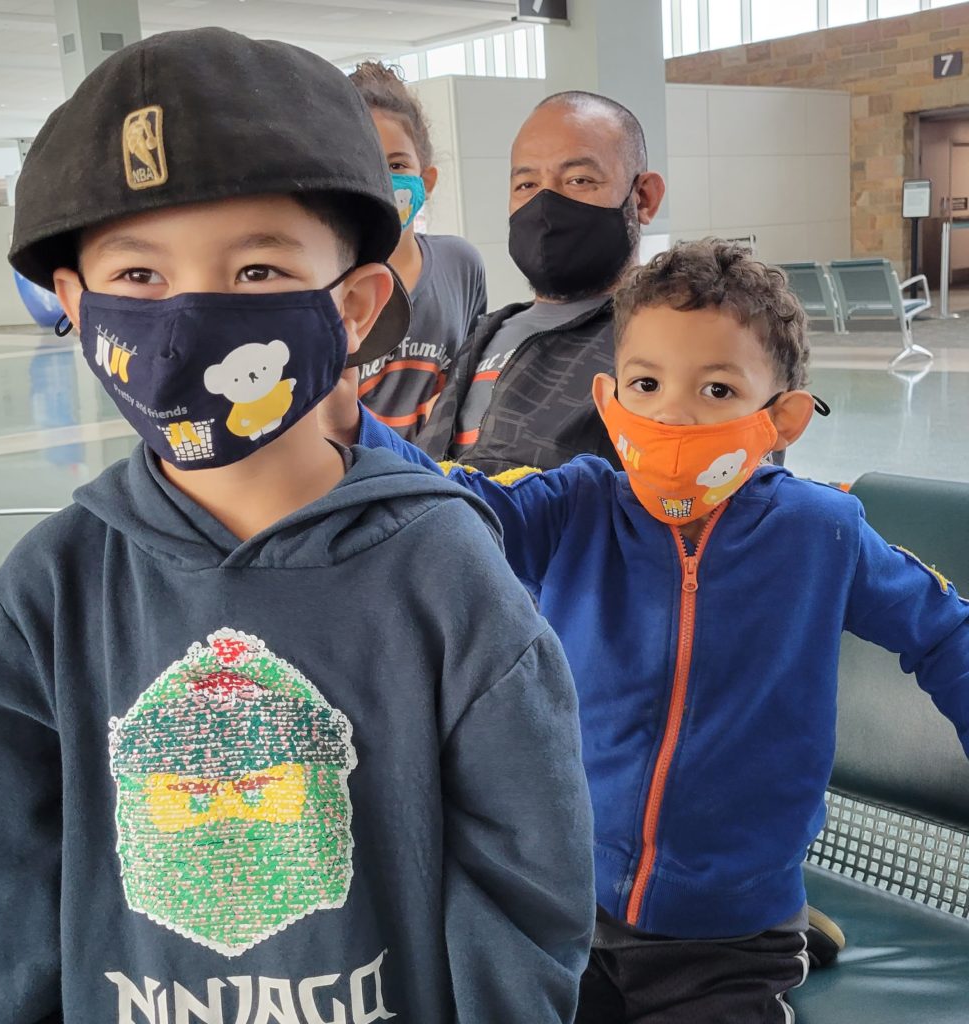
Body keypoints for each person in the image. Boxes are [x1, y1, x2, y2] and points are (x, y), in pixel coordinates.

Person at [0, 28, 596, 1022]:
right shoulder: (48, 594)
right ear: (76, 309)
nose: (192, 314)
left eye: (255, 273)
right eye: (138, 279)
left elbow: (526, 886)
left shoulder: (448, 576)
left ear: (355, 304)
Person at [322, 239, 969, 1022]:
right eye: (648, 384)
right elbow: (452, 507)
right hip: (564, 903)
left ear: (783, 419)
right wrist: (351, 424)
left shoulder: (821, 532)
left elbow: (944, 632)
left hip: (731, 933)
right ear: (610, 398)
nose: (673, 413)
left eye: (719, 388)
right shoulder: (577, 502)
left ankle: (794, 939)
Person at [416, 89, 666, 475]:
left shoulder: (666, 340)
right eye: (527, 185)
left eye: (579, 180)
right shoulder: (486, 333)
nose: (546, 205)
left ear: (644, 198)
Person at [349, 61, 487, 440]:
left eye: (396, 164)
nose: (381, 181)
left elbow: (468, 379)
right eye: (365, 166)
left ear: (426, 179)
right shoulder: (326, 282)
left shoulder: (460, 265)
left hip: (441, 476)